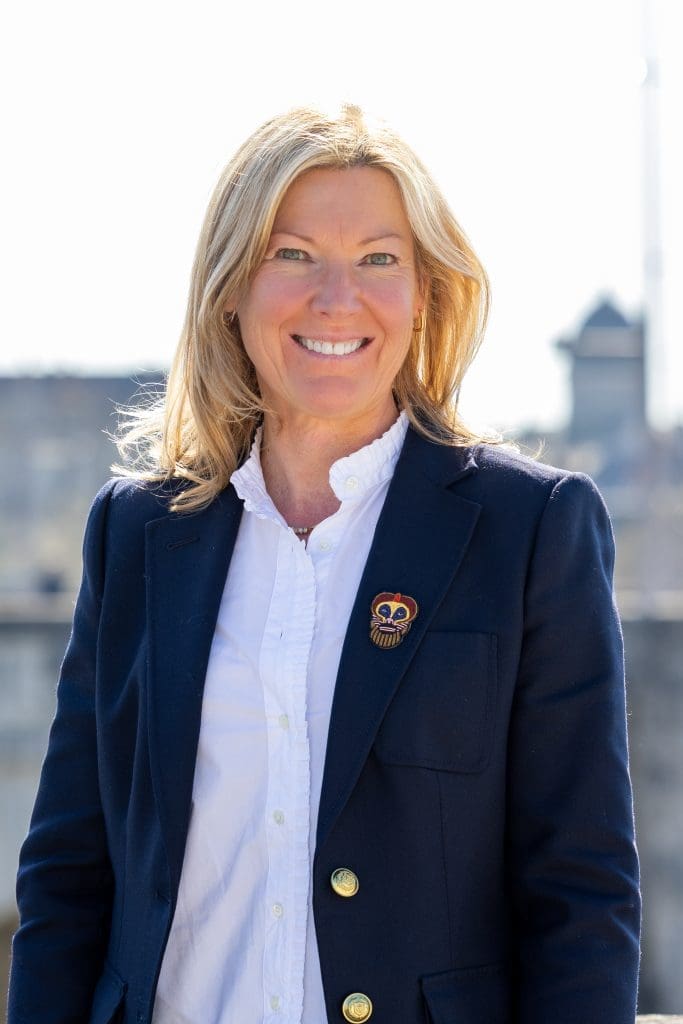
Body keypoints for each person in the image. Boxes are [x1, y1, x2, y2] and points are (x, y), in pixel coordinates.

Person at [8, 105, 640, 1024]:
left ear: (424, 295)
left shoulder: (530, 529)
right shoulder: (137, 533)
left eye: (378, 258)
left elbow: (579, 894)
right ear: (231, 288)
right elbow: (69, 877)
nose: (336, 298)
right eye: (293, 254)